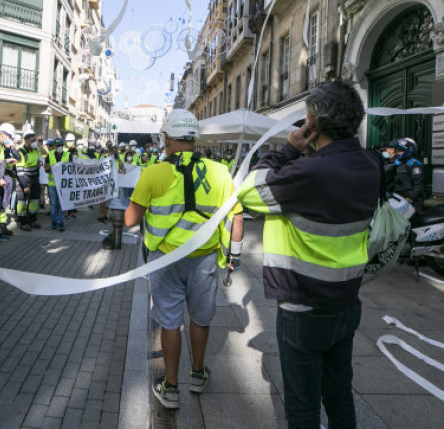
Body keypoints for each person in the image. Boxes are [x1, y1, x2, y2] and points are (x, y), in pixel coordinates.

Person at [237, 81, 379, 428]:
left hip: (304, 305)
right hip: (346, 301)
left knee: (302, 408)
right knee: (339, 396)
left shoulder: (309, 173)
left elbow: (249, 191)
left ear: (312, 123)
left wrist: (287, 149)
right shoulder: (371, 165)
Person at [125, 109, 243, 410]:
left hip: (165, 260)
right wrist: (235, 258)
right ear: (195, 138)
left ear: (167, 139)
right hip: (203, 261)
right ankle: (199, 375)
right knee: (200, 319)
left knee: (170, 322)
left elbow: (129, 220)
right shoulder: (220, 171)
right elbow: (237, 217)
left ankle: (172, 387)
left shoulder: (153, 172)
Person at [388, 137, 425, 213]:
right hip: (400, 197)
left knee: (414, 221)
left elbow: (418, 185)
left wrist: (410, 199)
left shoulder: (414, 164)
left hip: (413, 200)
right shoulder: (398, 163)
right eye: (396, 150)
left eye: (400, 151)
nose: (397, 153)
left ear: (408, 151)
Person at [15, 131, 42, 231]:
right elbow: (19, 171)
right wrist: (25, 185)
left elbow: (37, 164)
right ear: (26, 141)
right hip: (25, 179)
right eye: (32, 141)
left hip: (35, 179)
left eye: (35, 140)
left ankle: (32, 219)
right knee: (22, 202)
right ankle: (22, 222)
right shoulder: (21, 152)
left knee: (35, 200)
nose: (34, 142)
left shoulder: (35, 150)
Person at [44, 137, 71, 231]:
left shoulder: (68, 155)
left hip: (63, 184)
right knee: (53, 204)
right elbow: (46, 169)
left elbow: (71, 169)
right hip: (52, 184)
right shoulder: (50, 155)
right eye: (58, 145)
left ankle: (60, 222)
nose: (59, 147)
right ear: (54, 146)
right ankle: (53, 223)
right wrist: (54, 167)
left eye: (61, 145)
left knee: (61, 204)